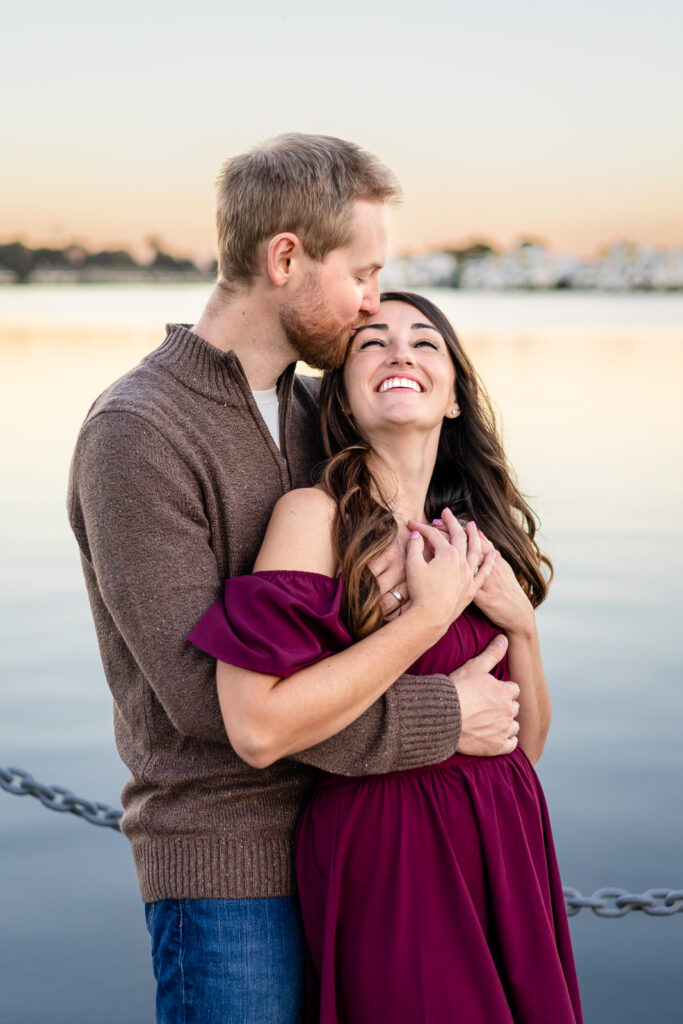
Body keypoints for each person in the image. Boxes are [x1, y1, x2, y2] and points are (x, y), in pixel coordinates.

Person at [67, 135, 520, 1024]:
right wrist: (443, 718)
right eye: (363, 273)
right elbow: (217, 710)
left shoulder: (320, 415)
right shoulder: (139, 434)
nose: (372, 301)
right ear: (285, 258)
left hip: (358, 849)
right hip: (228, 876)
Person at [189, 291, 583, 1023]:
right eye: (372, 342)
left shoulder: (468, 536)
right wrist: (429, 617)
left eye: (424, 342)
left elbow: (521, 748)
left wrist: (522, 629)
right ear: (338, 392)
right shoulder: (313, 518)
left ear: (456, 395)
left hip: (507, 845)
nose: (400, 351)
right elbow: (256, 726)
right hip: (392, 850)